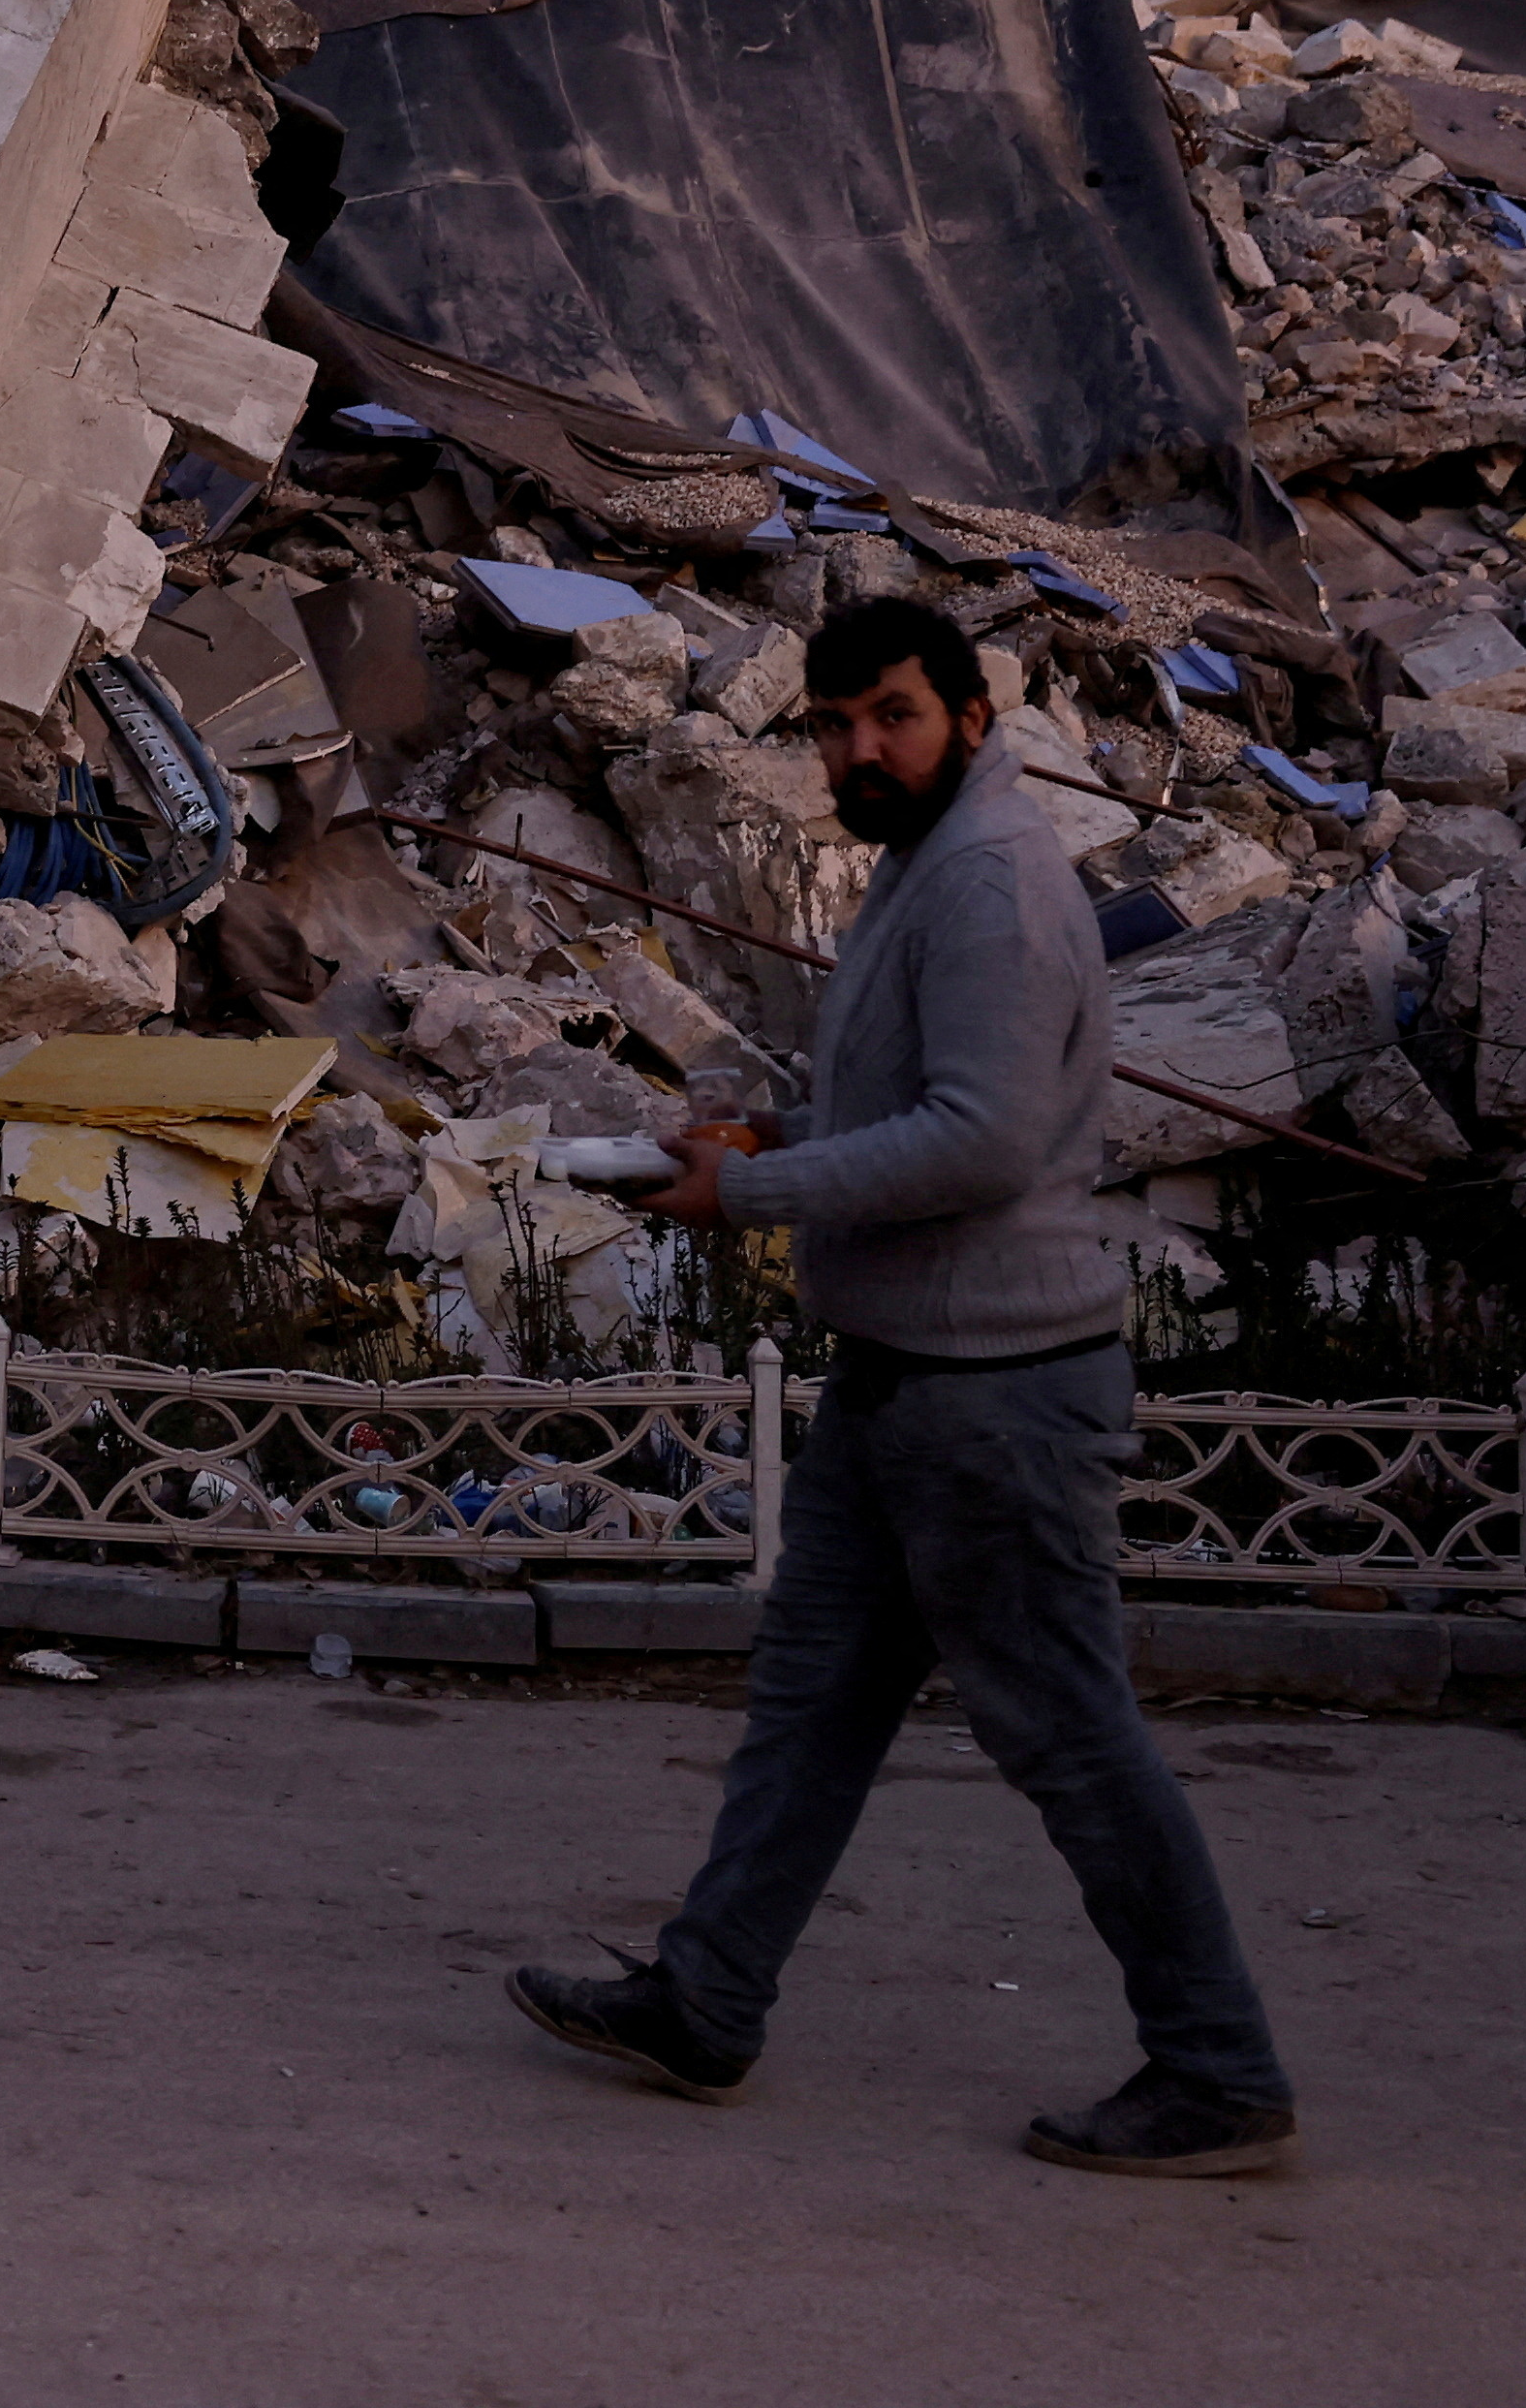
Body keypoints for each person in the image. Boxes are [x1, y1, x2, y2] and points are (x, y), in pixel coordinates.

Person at [505, 591, 1296, 2177]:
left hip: (993, 1398)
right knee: (809, 1708)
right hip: (907, 1385)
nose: (862, 748)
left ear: (973, 723)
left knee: (1069, 1735)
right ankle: (707, 1999)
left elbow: (983, 1142)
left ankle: (1217, 2068)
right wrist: (766, 1135)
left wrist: (750, 1199)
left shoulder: (992, 886)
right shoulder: (930, 869)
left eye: (895, 718)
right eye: (836, 723)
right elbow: (910, 1102)